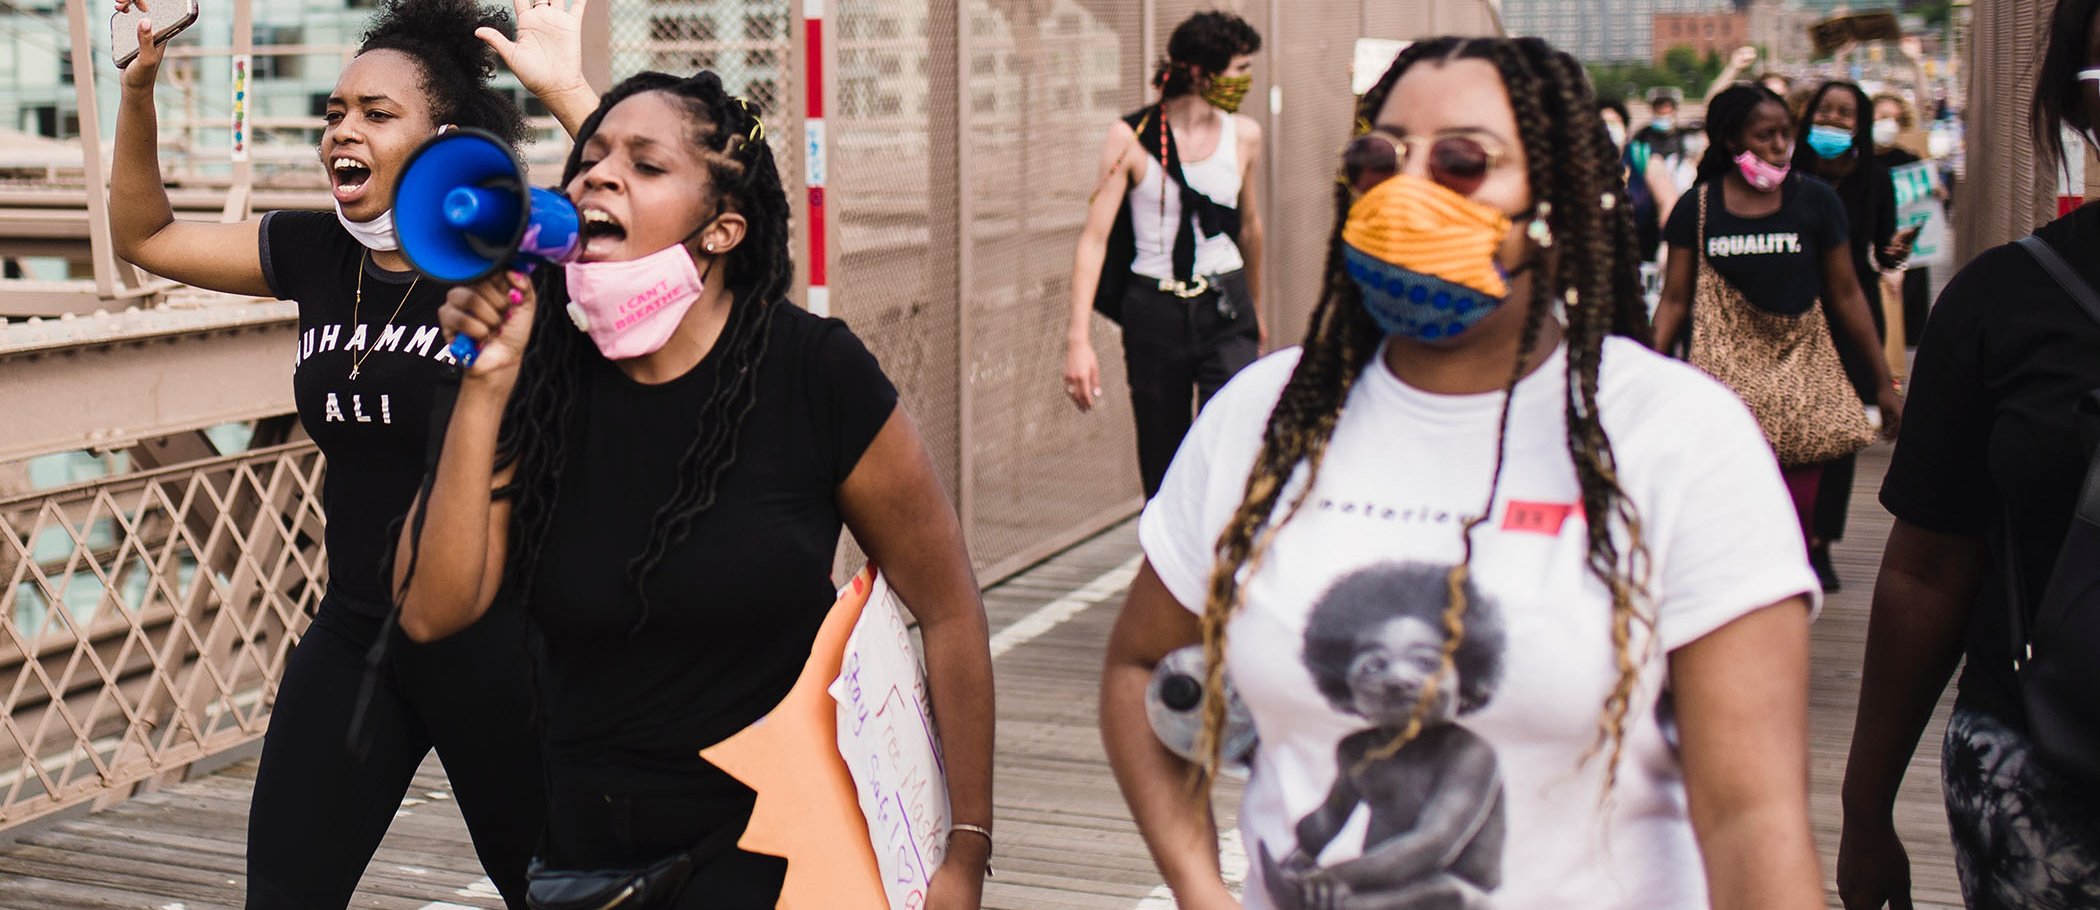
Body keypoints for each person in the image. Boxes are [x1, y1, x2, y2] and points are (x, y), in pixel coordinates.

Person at [1101, 36, 1824, 910]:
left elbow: (1755, 822)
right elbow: (1141, 665)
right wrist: (1198, 888)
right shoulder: (1262, 420)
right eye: (1380, 158)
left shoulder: (1679, 441)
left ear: (1557, 201)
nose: (1407, 192)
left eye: (1463, 163)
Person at [391, 67, 997, 908]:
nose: (598, 173)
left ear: (723, 228)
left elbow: (948, 606)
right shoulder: (535, 376)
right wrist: (485, 388)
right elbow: (430, 610)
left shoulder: (813, 373)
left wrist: (963, 851)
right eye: (591, 157)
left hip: (788, 852)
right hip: (585, 862)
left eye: (646, 165)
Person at [106, 1, 568, 906]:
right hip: (357, 634)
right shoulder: (319, 251)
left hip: (506, 651)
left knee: (558, 895)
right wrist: (140, 88)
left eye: (376, 113)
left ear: (443, 138)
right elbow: (146, 238)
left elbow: (669, 240)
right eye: (335, 112)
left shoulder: (510, 250)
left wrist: (564, 90)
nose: (342, 131)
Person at [1838, 0, 2100, 906]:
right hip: (2046, 780)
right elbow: (1928, 570)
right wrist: (1865, 813)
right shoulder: (2002, 304)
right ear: (2081, 109)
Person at [1653, 84, 1902, 552]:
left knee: (1796, 515)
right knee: (1728, 510)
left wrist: (1883, 384)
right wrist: (1648, 372)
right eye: (1765, 134)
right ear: (1731, 141)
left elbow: (1847, 293)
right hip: (1724, 388)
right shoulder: (1698, 208)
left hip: (1800, 381)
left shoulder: (1816, 203)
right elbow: (1674, 301)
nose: (1779, 145)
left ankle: (1804, 568)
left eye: (1786, 133)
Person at [1064, 11, 1267, 498]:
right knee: (1164, 454)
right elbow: (1094, 238)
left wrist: (1254, 309)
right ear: (1201, 73)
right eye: (1239, 69)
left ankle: (1225, 561)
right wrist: (1077, 339)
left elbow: (1250, 227)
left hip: (1225, 302)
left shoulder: (1244, 135)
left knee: (1232, 440)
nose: (1246, 80)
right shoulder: (1130, 138)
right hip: (1154, 309)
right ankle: (1168, 563)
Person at [1793, 80, 1912, 592]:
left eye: (1845, 114)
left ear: (1859, 124)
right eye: (1827, 111)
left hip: (1852, 311)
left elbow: (1881, 254)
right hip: (1793, 311)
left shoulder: (1875, 181)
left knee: (1840, 434)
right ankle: (1790, 535)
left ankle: (1822, 543)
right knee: (1793, 428)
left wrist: (1894, 253)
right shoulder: (1784, 171)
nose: (1835, 121)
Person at [1600, 98, 1676, 262]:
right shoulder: (1582, 164)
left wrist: (1667, 242)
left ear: (1626, 130)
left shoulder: (1642, 157)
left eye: (1614, 122)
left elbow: (1668, 202)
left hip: (1643, 259)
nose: (1608, 129)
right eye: (1602, 122)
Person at [1635, 89, 1687, 161]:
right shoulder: (1643, 134)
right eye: (1659, 106)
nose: (1663, 110)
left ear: (1674, 110)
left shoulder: (1682, 135)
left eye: (1667, 106)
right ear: (1653, 109)